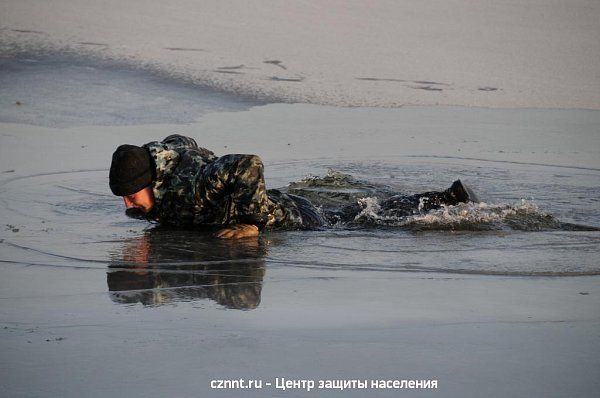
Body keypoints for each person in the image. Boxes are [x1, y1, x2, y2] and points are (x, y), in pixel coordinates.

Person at [109, 134, 478, 238]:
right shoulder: (161, 163)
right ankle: (444, 198)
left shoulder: (191, 190)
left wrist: (252, 221)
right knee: (359, 214)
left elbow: (247, 164)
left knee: (362, 220)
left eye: (131, 195)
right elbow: (183, 142)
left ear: (150, 183)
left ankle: (447, 199)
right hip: (272, 203)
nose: (127, 203)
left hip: (291, 217)